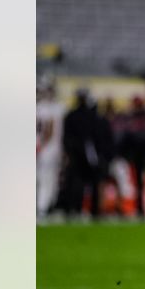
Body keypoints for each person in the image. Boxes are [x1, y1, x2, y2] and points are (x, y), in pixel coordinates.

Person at [60, 89, 103, 218]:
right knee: (83, 182)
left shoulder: (72, 115)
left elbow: (67, 137)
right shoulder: (90, 116)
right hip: (86, 153)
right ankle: (91, 210)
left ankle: (73, 208)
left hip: (78, 152)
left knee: (75, 182)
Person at [36, 80, 65, 217]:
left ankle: (46, 207)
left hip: (46, 149)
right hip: (47, 150)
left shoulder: (45, 107)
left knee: (48, 179)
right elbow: (49, 130)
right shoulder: (46, 108)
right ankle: (42, 207)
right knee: (46, 179)